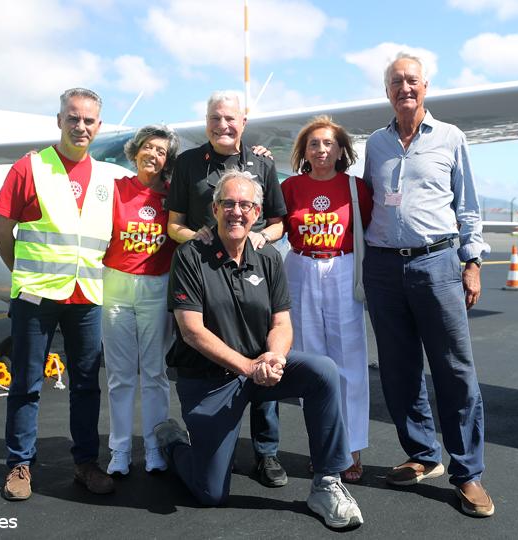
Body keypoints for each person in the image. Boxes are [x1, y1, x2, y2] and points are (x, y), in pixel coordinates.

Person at [155, 170, 363, 529]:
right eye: (229, 204)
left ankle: (328, 482)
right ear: (216, 208)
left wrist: (275, 358)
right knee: (210, 493)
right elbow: (191, 332)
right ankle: (174, 441)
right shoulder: (191, 256)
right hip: (210, 379)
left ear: (257, 213)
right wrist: (248, 368)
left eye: (246, 205)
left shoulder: (267, 258)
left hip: (258, 369)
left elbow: (281, 324)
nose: (237, 211)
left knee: (322, 371)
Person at [362, 52, 494, 517]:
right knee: (398, 370)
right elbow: (364, 199)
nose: (405, 88)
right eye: (396, 81)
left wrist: (471, 262)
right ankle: (422, 456)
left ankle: (468, 473)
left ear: (426, 86)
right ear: (387, 91)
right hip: (382, 268)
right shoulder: (375, 144)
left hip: (437, 263)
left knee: (454, 370)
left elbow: (469, 207)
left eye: (412, 80)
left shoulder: (451, 138)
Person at [0, 88, 132, 501]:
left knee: (87, 384)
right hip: (35, 298)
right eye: (73, 118)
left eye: (89, 120)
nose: (81, 126)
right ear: (59, 120)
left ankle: (85, 463)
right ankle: (19, 464)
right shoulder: (29, 168)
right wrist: (25, 277)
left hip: (85, 297)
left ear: (99, 126)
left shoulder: (109, 177)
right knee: (26, 384)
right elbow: (1, 233)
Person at [166, 91, 289, 487]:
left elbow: (277, 223)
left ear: (244, 122)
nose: (224, 125)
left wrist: (262, 239)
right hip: (205, 272)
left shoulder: (262, 163)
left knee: (262, 354)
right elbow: (174, 224)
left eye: (231, 119)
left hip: (249, 264)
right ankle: (216, 443)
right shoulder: (187, 163)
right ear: (206, 121)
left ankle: (267, 453)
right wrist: (198, 238)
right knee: (212, 358)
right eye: (216, 118)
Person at [281, 115, 373, 483]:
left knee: (349, 360)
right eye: (314, 143)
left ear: (341, 150)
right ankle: (323, 446)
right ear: (304, 151)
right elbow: (276, 224)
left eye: (329, 143)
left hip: (341, 268)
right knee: (312, 363)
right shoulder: (290, 187)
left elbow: (370, 228)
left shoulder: (356, 188)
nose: (321, 149)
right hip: (301, 269)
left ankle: (352, 449)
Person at [101, 125, 179, 476]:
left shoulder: (173, 198)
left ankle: (153, 445)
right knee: (120, 375)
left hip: (155, 288)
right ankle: (119, 449)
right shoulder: (116, 190)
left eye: (162, 151)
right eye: (149, 147)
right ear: (135, 152)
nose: (154, 155)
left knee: (154, 373)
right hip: (116, 285)